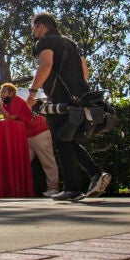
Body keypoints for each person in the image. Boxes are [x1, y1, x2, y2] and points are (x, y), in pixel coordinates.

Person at [26, 12, 111, 202]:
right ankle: (95, 174)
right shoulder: (70, 43)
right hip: (80, 97)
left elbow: (46, 65)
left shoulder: (44, 42)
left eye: (33, 27)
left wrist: (32, 93)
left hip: (61, 100)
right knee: (68, 138)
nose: (33, 31)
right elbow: (85, 71)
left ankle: (73, 188)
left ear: (40, 25)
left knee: (61, 139)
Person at [0, 82, 59, 197]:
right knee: (21, 163)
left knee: (47, 161)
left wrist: (0, 108)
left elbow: (11, 118)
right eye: (1, 92)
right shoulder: (6, 105)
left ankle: (53, 188)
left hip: (38, 131)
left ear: (11, 92)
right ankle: (18, 189)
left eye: (4, 91)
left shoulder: (16, 100)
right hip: (26, 136)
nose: (2, 94)